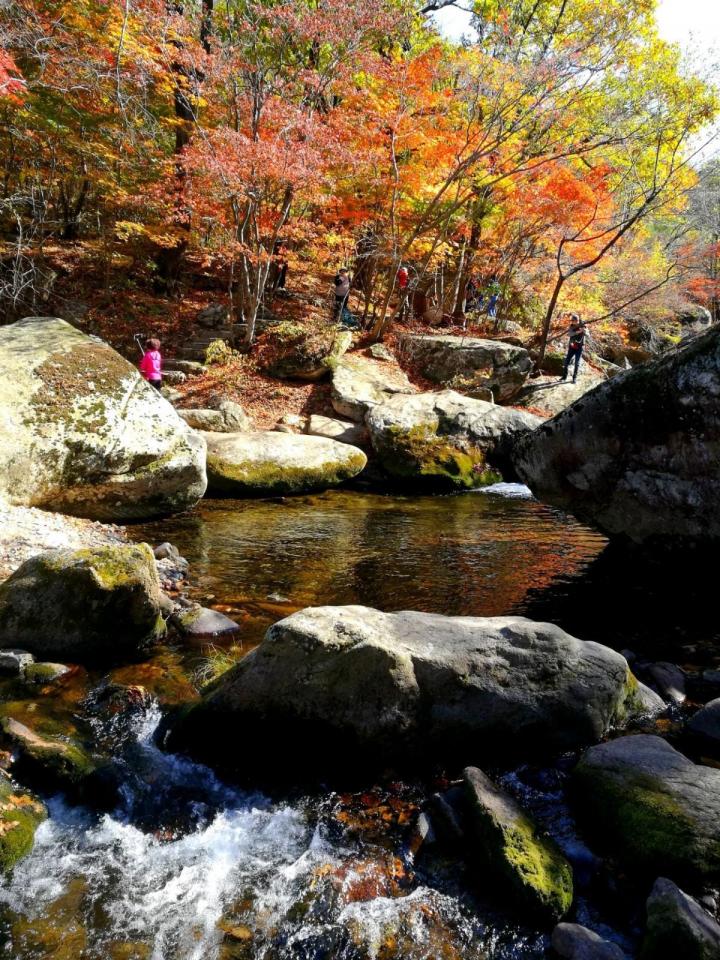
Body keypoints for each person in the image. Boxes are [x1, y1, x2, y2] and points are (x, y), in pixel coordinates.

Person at [561, 314, 586, 383]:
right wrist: (577, 332)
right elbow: (569, 334)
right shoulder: (571, 326)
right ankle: (564, 377)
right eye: (571, 320)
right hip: (572, 346)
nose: (572, 322)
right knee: (566, 362)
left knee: (577, 363)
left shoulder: (583, 325)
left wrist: (584, 331)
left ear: (577, 320)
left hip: (579, 347)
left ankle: (574, 378)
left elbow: (588, 334)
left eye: (573, 320)